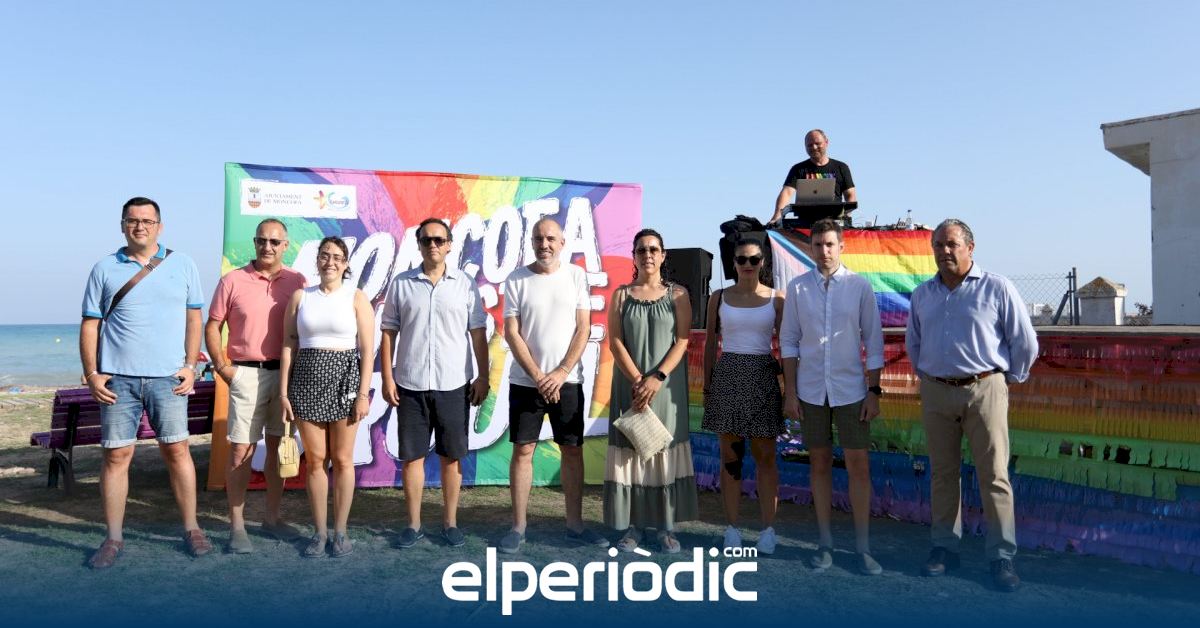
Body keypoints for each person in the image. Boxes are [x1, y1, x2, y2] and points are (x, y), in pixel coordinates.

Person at [906, 218, 1038, 592]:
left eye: (951, 244)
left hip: (985, 389)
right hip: (936, 391)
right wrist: (930, 376)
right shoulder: (922, 294)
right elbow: (914, 343)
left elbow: (1024, 342)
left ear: (970, 247)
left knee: (994, 475)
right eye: (938, 245)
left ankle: (1001, 556)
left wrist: (1006, 379)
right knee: (942, 473)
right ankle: (945, 547)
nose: (944, 251)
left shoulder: (997, 287)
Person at [79, 196, 211, 569]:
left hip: (168, 379)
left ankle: (192, 529)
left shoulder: (183, 264)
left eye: (147, 221)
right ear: (123, 225)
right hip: (117, 381)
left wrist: (191, 366)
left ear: (159, 226)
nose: (140, 226)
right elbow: (90, 324)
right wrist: (92, 373)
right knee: (116, 456)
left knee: (178, 452)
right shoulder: (103, 268)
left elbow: (194, 320)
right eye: (133, 220)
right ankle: (113, 538)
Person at [780, 218, 885, 575]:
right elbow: (789, 341)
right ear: (810, 248)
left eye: (830, 244)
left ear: (842, 246)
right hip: (810, 391)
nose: (824, 251)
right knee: (819, 464)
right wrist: (790, 391)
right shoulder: (797, 288)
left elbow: (874, 342)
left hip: (852, 391)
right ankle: (824, 543)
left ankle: (863, 548)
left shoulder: (860, 286)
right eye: (818, 245)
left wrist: (874, 391)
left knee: (859, 466)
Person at [499, 217, 609, 554]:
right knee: (523, 451)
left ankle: (575, 525)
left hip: (568, 382)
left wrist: (560, 372)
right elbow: (512, 332)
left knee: (572, 451)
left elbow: (583, 328)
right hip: (525, 383)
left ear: (562, 243)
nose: (543, 244)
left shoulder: (576, 276)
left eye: (550, 238)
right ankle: (518, 527)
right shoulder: (516, 279)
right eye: (538, 238)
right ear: (531, 242)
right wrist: (538, 376)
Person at [379, 218, 489, 549]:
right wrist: (387, 377)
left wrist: (483, 376)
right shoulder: (401, 284)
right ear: (419, 244)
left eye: (439, 240)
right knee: (412, 458)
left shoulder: (465, 284)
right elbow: (388, 332)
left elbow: (478, 333)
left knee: (451, 457)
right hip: (410, 383)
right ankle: (413, 525)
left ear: (450, 245)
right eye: (426, 240)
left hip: (453, 384)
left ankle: (450, 523)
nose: (433, 245)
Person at [204, 218, 307, 553]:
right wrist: (223, 367)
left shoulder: (297, 281)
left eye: (274, 242)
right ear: (254, 242)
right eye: (262, 240)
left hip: (285, 376)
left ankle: (272, 519)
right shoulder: (232, 280)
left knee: (279, 448)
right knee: (241, 451)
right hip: (245, 374)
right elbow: (213, 325)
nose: (267, 247)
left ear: (285, 245)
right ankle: (237, 527)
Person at [279, 236, 374, 558]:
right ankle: (319, 533)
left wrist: (363, 395)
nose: (329, 261)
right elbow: (289, 345)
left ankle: (340, 532)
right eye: (324, 255)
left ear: (345, 264)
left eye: (336, 257)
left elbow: (367, 350)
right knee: (316, 460)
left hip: (346, 383)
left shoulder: (356, 297)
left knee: (343, 459)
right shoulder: (301, 297)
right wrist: (283, 391)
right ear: (317, 260)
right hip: (305, 382)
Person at [604, 228, 699, 554]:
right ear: (634, 256)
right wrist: (637, 380)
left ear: (663, 255)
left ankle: (666, 527)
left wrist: (656, 378)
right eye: (641, 250)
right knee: (634, 451)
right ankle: (634, 526)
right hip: (629, 387)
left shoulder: (678, 295)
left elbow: (683, 340)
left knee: (663, 452)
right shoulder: (620, 296)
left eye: (653, 249)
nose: (648, 255)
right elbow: (615, 341)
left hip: (666, 388)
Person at [701, 235, 785, 553]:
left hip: (764, 377)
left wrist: (788, 387)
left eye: (754, 259)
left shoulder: (777, 298)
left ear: (762, 262)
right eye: (741, 259)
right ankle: (732, 528)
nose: (748, 265)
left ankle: (768, 530)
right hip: (728, 377)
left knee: (766, 458)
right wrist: (708, 386)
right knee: (731, 458)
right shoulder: (718, 297)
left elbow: (787, 346)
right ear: (733, 263)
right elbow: (710, 343)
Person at [769, 129, 857, 225]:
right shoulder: (798, 169)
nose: (814, 147)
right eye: (809, 145)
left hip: (834, 222)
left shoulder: (841, 167)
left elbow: (850, 195)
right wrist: (777, 217)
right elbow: (787, 193)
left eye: (817, 143)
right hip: (804, 222)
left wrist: (846, 215)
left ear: (826, 142)